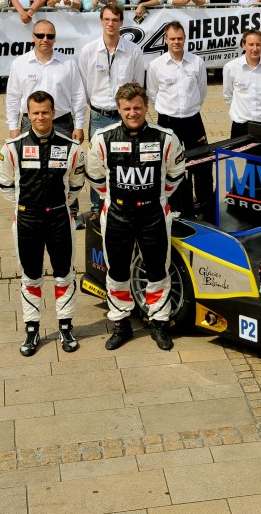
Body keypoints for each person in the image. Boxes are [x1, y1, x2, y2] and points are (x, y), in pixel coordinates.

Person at [87, 82, 185, 351]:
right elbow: (95, 177)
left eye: (138, 107)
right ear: (119, 109)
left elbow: (175, 175)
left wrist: (153, 197)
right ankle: (121, 324)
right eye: (127, 108)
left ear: (146, 107)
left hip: (153, 213)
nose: (133, 113)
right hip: (117, 213)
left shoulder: (166, 138)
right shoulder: (103, 138)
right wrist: (117, 198)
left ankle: (160, 323)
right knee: (116, 271)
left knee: (157, 270)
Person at [0, 90, 85, 357]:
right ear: (27, 115)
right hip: (27, 220)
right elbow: (4, 183)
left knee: (64, 275)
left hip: (59, 218)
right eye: (35, 112)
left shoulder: (71, 147)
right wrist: (25, 206)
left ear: (54, 113)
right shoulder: (13, 147)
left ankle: (66, 326)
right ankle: (32, 329)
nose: (41, 117)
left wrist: (58, 204)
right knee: (31, 277)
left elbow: (76, 184)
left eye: (45, 112)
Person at [77, 3, 146, 222]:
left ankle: (126, 200)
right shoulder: (89, 50)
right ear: (100, 21)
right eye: (106, 19)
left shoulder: (133, 51)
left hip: (125, 116)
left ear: (121, 23)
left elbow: (138, 85)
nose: (110, 24)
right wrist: (95, 106)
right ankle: (97, 207)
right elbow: (84, 85)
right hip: (98, 115)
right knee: (97, 161)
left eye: (115, 20)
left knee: (127, 159)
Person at [147, 21, 212, 221]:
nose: (176, 42)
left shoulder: (196, 62)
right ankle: (175, 206)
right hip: (168, 120)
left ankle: (205, 208)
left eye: (180, 38)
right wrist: (170, 110)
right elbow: (152, 93)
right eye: (172, 38)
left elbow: (202, 91)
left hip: (193, 120)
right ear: (165, 40)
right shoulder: (156, 65)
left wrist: (190, 108)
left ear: (185, 39)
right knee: (169, 165)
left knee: (202, 165)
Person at [6, 19, 86, 143]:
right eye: (40, 35)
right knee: (29, 162)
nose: (45, 39)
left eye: (50, 36)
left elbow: (78, 96)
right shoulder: (19, 63)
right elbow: (13, 97)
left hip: (62, 123)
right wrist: (13, 127)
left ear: (55, 38)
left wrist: (79, 126)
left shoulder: (69, 63)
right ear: (33, 37)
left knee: (63, 162)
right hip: (30, 123)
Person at [223, 30, 261, 137]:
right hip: (240, 125)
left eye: (258, 44)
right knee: (238, 154)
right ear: (243, 45)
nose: (255, 48)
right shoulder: (231, 67)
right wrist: (240, 111)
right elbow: (228, 95)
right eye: (251, 44)